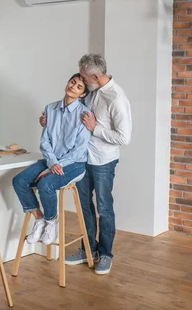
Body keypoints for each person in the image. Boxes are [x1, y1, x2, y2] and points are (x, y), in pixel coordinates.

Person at [40, 54, 132, 275]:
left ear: (94, 76)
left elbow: (124, 138)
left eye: (82, 76)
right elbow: (70, 116)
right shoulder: (89, 92)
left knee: (104, 208)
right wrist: (48, 120)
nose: (78, 79)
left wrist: (95, 128)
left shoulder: (117, 99)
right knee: (84, 208)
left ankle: (106, 254)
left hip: (103, 162)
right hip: (81, 160)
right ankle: (87, 250)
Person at [13, 73, 91, 246]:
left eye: (79, 87)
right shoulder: (50, 109)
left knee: (45, 184)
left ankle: (51, 221)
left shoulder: (85, 114)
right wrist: (51, 163)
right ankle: (39, 219)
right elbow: (45, 141)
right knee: (19, 181)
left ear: (83, 94)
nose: (73, 87)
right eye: (72, 82)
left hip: (74, 164)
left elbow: (79, 151)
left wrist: (54, 166)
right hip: (52, 160)